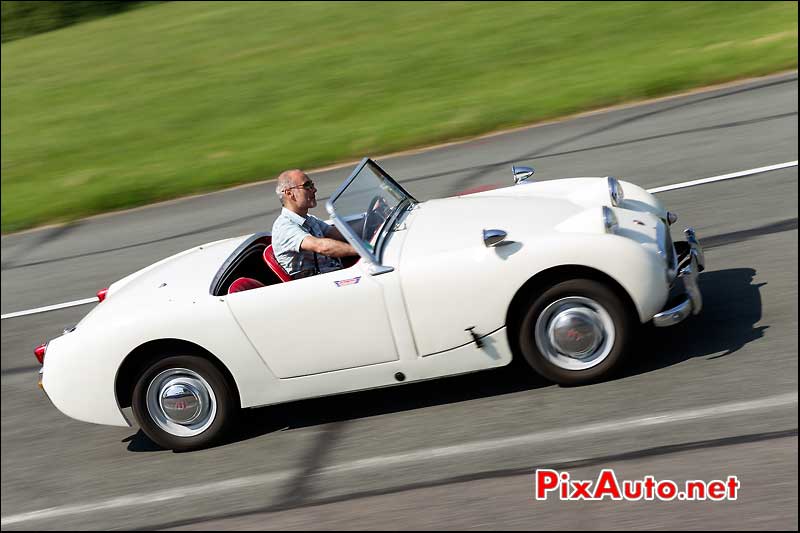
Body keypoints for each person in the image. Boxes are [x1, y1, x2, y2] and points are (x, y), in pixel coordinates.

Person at [271, 169, 358, 279]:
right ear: (289, 193)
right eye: (307, 186)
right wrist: (362, 250)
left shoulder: (309, 219)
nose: (314, 190)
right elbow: (321, 246)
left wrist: (371, 222)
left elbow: (340, 233)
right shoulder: (284, 226)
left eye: (312, 185)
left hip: (332, 276)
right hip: (315, 286)